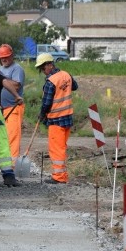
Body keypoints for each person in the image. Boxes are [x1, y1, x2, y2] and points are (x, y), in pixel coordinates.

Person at [35, 53, 78, 184]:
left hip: (56, 120)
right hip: (67, 119)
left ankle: (59, 177)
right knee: (62, 148)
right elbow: (75, 86)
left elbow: (46, 103)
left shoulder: (51, 81)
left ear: (49, 65)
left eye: (43, 68)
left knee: (56, 149)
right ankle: (63, 175)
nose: (43, 71)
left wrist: (42, 115)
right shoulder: (66, 75)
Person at [0, 44, 25, 166]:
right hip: (2, 109)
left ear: (12, 55)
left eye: (6, 57)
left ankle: (12, 166)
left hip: (14, 108)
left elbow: (17, 85)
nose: (4, 59)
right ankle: (6, 164)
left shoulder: (17, 69)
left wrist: (3, 81)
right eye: (2, 57)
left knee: (13, 138)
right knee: (5, 138)